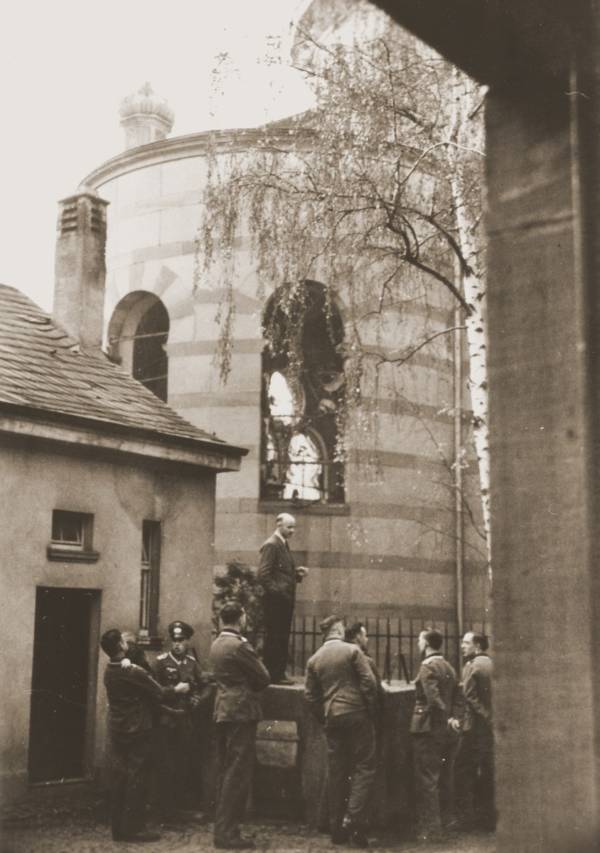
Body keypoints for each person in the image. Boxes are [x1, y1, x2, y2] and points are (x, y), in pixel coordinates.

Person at [100, 627, 190, 843]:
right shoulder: (133, 671)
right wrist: (178, 689)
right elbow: (159, 691)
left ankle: (118, 829)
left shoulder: (110, 669)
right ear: (121, 646)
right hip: (138, 728)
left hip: (118, 728)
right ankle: (134, 829)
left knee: (120, 777)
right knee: (137, 777)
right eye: (123, 640)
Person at [305, 615, 378, 848]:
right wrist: (369, 709)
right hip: (357, 715)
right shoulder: (352, 652)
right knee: (364, 767)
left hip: (332, 719)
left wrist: (324, 716)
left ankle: (337, 828)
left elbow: (310, 697)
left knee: (337, 771)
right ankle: (353, 819)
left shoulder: (314, 659)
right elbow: (369, 683)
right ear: (338, 629)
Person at [209, 602, 271, 849]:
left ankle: (224, 828)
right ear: (240, 618)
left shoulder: (216, 644)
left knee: (227, 771)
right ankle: (226, 833)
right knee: (237, 773)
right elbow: (263, 677)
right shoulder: (239, 646)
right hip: (241, 712)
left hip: (223, 710)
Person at [153, 620, 212, 822]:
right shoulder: (161, 663)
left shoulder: (192, 663)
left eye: (181, 640)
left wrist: (199, 700)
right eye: (174, 640)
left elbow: (205, 685)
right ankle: (164, 810)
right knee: (165, 764)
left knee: (183, 763)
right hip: (167, 720)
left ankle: (178, 808)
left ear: (187, 641)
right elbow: (154, 692)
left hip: (186, 721)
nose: (177, 644)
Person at [410, 628, 463, 843]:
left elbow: (432, 699)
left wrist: (443, 718)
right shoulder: (449, 666)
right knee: (445, 777)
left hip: (428, 728)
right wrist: (454, 717)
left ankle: (431, 829)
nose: (418, 644)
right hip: (447, 732)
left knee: (427, 780)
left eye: (419, 640)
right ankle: (447, 822)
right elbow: (458, 698)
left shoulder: (427, 667)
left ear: (426, 644)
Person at [258, 512, 308, 684]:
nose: (293, 531)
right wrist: (278, 593)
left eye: (294, 527)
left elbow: (280, 573)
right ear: (279, 525)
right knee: (276, 637)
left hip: (283, 602)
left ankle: (277, 673)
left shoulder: (282, 544)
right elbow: (264, 575)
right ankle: (274, 675)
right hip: (276, 603)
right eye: (289, 527)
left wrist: (296, 573)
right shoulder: (272, 545)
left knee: (280, 637)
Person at [454, 631, 495, 831]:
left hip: (474, 727)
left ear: (477, 645)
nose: (462, 646)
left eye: (466, 643)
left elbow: (469, 697)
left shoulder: (471, 666)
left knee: (461, 771)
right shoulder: (493, 664)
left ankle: (466, 819)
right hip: (490, 728)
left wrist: (484, 715)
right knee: (488, 771)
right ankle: (488, 818)